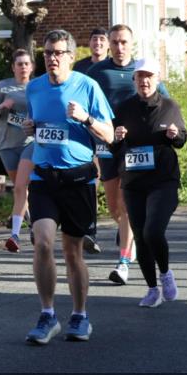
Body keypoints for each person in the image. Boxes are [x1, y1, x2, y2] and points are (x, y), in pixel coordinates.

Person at [23, 29, 113, 344]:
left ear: (71, 57)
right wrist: (31, 128)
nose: (52, 58)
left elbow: (109, 135)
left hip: (78, 180)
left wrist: (86, 118)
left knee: (73, 252)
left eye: (59, 53)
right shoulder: (33, 88)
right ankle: (47, 315)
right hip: (44, 179)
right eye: (47, 53)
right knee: (43, 242)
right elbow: (38, 126)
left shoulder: (88, 87)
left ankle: (79, 315)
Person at [88, 24, 170, 285]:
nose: (119, 47)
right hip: (107, 145)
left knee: (125, 205)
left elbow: (164, 101)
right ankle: (132, 238)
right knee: (113, 206)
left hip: (136, 150)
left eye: (124, 42)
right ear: (108, 44)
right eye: (114, 42)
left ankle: (123, 261)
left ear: (131, 44)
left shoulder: (141, 71)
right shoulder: (97, 72)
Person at [111, 59, 187, 307]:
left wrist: (175, 135)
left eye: (149, 76)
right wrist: (118, 138)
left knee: (152, 231)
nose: (144, 81)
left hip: (163, 180)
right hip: (134, 182)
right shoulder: (124, 108)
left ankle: (165, 274)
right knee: (141, 238)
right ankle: (152, 289)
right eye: (140, 76)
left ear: (157, 79)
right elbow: (114, 147)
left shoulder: (169, 106)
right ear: (134, 80)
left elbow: (182, 139)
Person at [0, 49, 34, 252]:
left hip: (29, 143)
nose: (23, 67)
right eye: (19, 64)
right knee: (21, 188)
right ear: (13, 67)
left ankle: (14, 235)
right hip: (6, 144)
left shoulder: (37, 87)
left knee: (21, 187)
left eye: (26, 64)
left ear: (31, 67)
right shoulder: (3, 86)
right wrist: (2, 106)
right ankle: (33, 224)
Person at [72, 27, 110, 253]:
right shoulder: (80, 67)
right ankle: (89, 231)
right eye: (94, 38)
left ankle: (126, 226)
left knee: (116, 183)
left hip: (107, 129)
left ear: (107, 45)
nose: (97, 43)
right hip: (87, 131)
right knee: (91, 183)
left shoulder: (113, 67)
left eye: (102, 39)